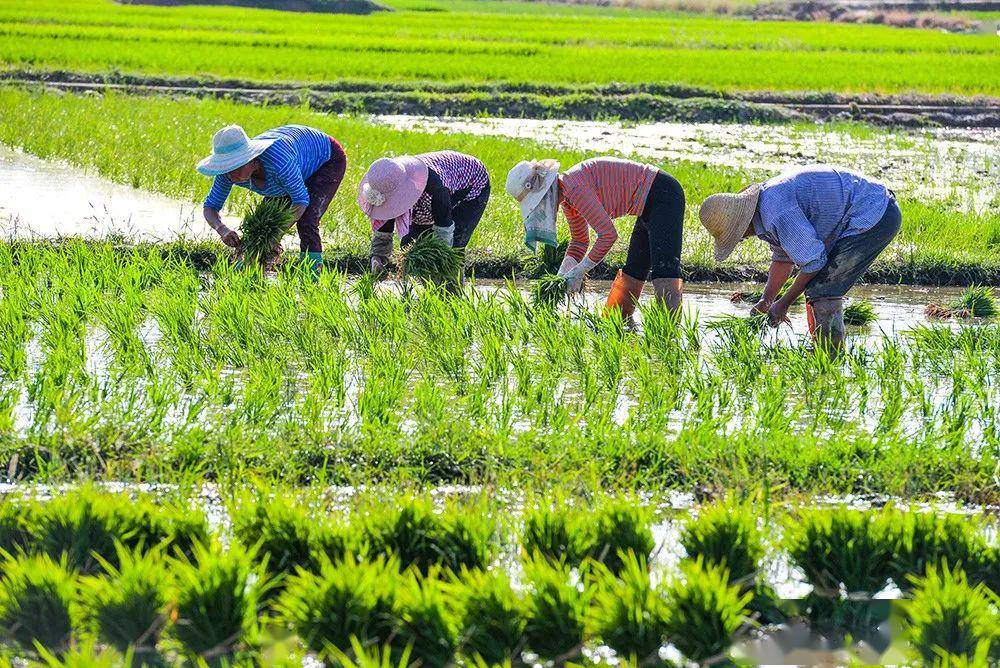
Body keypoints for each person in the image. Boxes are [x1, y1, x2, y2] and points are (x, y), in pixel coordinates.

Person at [699, 164, 901, 348]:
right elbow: (783, 257)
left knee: (822, 288)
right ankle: (821, 350)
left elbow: (814, 261)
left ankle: (830, 355)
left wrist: (783, 304)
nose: (740, 240)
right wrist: (767, 300)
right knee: (817, 286)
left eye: (736, 236)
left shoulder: (775, 212)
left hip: (875, 213)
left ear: (741, 226)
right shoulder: (765, 207)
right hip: (870, 205)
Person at [505, 157, 685, 316]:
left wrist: (579, 272)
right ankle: (616, 323)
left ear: (546, 192)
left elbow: (608, 236)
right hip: (646, 204)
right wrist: (561, 277)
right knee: (634, 270)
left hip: (663, 195)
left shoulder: (575, 189)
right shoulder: (567, 198)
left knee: (664, 269)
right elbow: (579, 241)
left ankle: (670, 335)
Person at [196, 124, 347, 273]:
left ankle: (312, 276)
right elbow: (210, 207)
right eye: (228, 168)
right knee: (263, 224)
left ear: (252, 159)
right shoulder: (227, 173)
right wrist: (222, 230)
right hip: (294, 162)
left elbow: (300, 200)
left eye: (236, 166)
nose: (231, 175)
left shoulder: (279, 163)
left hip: (326, 158)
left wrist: (276, 235)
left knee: (307, 220)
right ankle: (246, 272)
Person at [359, 151, 490, 275]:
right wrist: (378, 258)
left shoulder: (435, 191)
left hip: (471, 184)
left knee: (453, 247)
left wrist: (441, 262)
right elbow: (385, 225)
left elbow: (444, 229)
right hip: (435, 191)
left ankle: (452, 292)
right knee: (410, 245)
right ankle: (421, 291)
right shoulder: (386, 183)